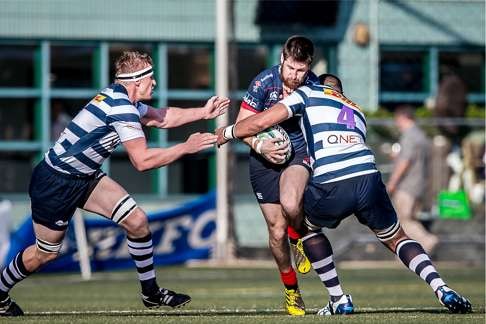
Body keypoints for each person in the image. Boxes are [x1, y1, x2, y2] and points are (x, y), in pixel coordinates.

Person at [216, 74, 472, 315]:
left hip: (333, 182)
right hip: (368, 178)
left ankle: (338, 298)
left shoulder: (309, 93)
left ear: (321, 85)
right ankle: (441, 287)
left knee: (305, 227)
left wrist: (228, 132)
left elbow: (262, 121)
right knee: (397, 237)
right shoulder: (355, 109)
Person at [0, 51, 229, 317]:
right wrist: (185, 148)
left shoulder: (124, 101)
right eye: (150, 78)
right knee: (45, 254)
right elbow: (142, 162)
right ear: (136, 81)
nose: (154, 83)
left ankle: (151, 292)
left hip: (84, 177)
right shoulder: (120, 107)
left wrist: (203, 112)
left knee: (137, 222)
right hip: (55, 182)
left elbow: (162, 117)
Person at [235, 35, 317, 315]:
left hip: (298, 149)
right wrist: (260, 144)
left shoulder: (313, 85)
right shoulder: (263, 82)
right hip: (262, 155)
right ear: (282, 59)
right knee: (275, 230)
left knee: (291, 204)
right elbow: (240, 125)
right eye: (291, 68)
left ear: (309, 67)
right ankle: (292, 291)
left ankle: (299, 237)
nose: (295, 76)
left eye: (301, 70)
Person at [387, 106, 438, 253]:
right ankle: (410, 253)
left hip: (407, 185)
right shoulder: (421, 135)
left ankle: (428, 240)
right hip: (420, 184)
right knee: (412, 219)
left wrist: (393, 182)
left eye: (397, 120)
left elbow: (405, 162)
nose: (397, 124)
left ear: (403, 118)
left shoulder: (409, 136)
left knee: (403, 221)